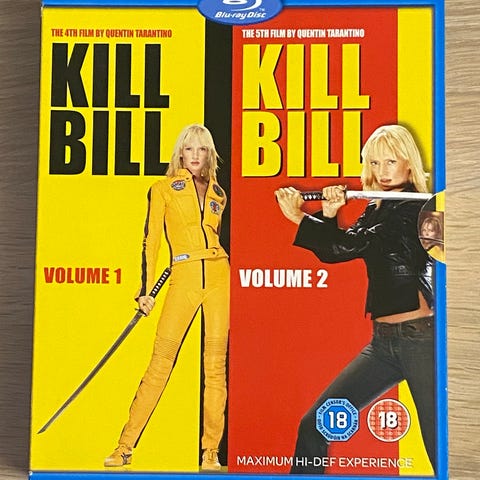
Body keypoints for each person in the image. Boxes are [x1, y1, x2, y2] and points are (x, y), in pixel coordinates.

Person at [275, 124, 436, 474]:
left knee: (438, 445)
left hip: (421, 340)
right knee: (315, 424)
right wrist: (330, 213)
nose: (382, 171)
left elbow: (351, 245)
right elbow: (335, 251)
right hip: (383, 344)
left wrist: (300, 217)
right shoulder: (378, 208)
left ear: (409, 163)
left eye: (390, 162)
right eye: (375, 163)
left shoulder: (414, 210)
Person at [104, 124, 230, 471]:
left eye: (201, 149)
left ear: (209, 154)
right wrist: (145, 290)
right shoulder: (162, 189)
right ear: (180, 153)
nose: (195, 155)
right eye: (189, 148)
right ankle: (125, 446)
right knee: (160, 363)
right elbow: (152, 240)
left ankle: (210, 452)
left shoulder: (219, 192)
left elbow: (216, 236)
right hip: (184, 277)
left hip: (220, 276)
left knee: (215, 368)